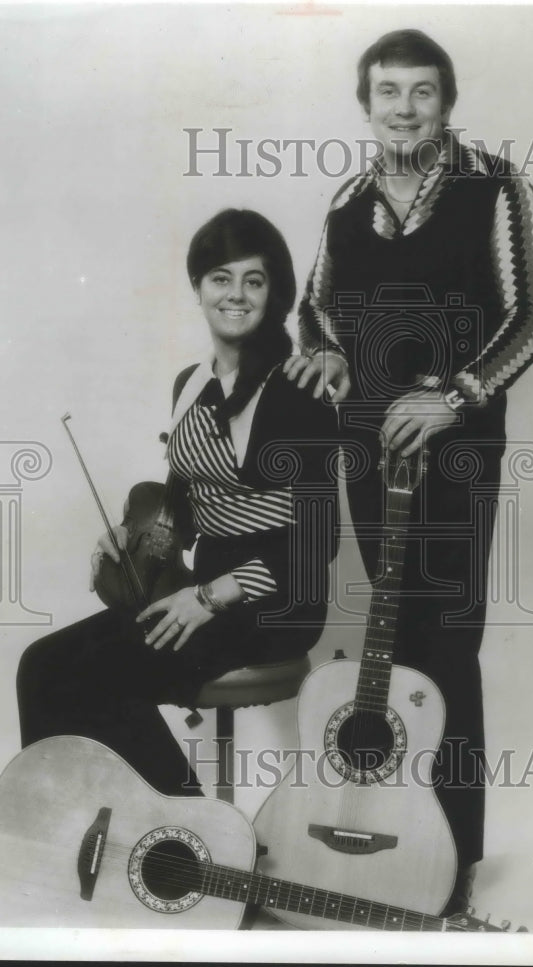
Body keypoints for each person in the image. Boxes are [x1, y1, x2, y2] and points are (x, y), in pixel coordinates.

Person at [285, 28, 533, 913]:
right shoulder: (346, 200)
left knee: (449, 645)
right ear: (365, 105)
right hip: (366, 450)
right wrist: (322, 356)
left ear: (449, 101)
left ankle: (456, 865)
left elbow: (532, 318)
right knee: (389, 642)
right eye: (389, 92)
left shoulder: (499, 188)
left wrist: (456, 395)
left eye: (423, 92)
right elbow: (314, 312)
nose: (405, 109)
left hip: (457, 452)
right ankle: (391, 845)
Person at [18, 208, 339, 798]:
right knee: (41, 664)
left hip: (274, 606)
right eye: (221, 277)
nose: (236, 295)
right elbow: (185, 505)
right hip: (196, 592)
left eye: (254, 279)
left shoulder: (298, 392)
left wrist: (211, 596)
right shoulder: (189, 382)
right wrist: (127, 534)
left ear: (276, 292)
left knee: (95, 676)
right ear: (198, 288)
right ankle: (71, 828)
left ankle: (190, 839)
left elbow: (318, 544)